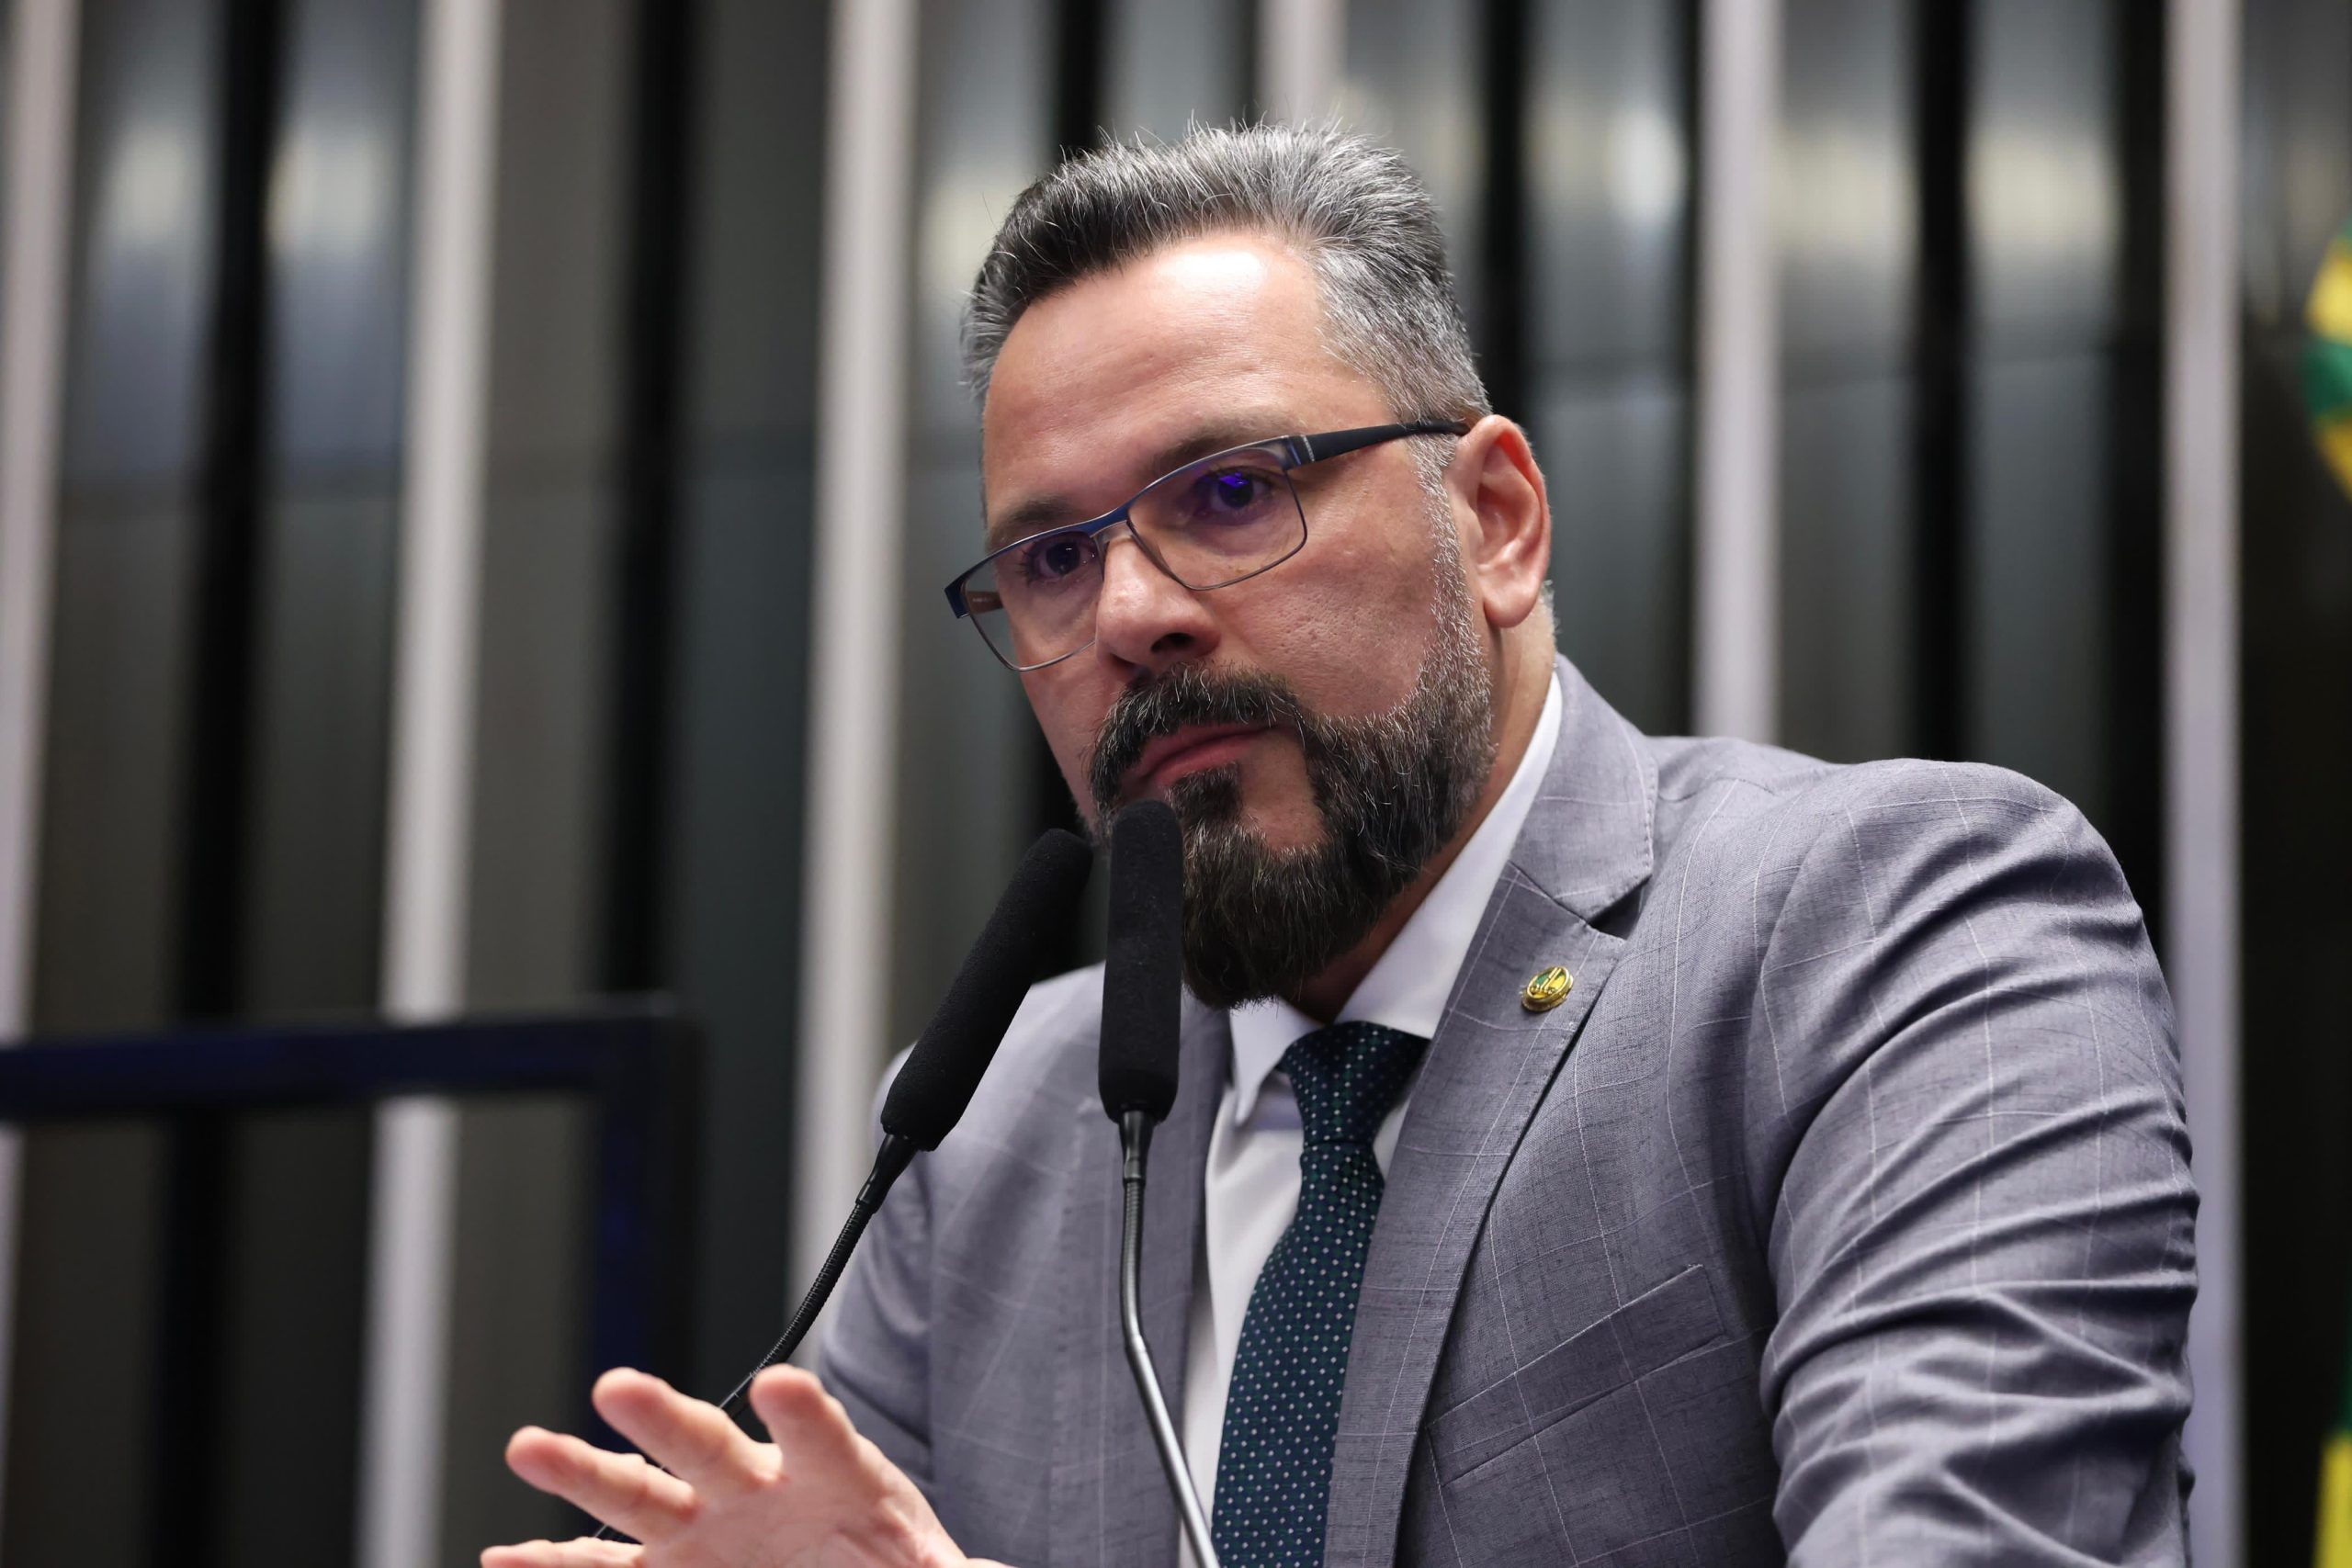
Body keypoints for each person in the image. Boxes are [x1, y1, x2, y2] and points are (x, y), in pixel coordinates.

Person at [484, 124, 2197, 1567]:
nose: (1129, 616)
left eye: (1232, 492)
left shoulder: (1896, 929)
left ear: (1496, 521)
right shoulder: (990, 1131)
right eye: (1052, 563)